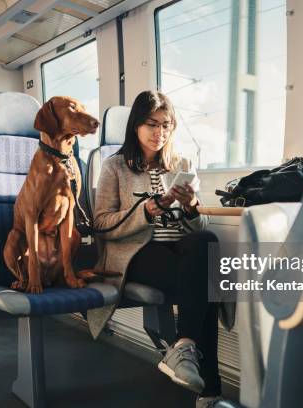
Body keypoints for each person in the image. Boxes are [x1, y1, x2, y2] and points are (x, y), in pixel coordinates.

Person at [91, 90, 224, 408]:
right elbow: (101, 224)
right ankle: (210, 390)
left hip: (178, 250)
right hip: (136, 252)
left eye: (166, 125)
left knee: (207, 242)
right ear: (135, 125)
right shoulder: (115, 167)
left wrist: (192, 206)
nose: (159, 133)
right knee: (203, 283)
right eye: (151, 124)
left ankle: (184, 346)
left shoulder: (181, 164)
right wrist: (146, 212)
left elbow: (199, 227)